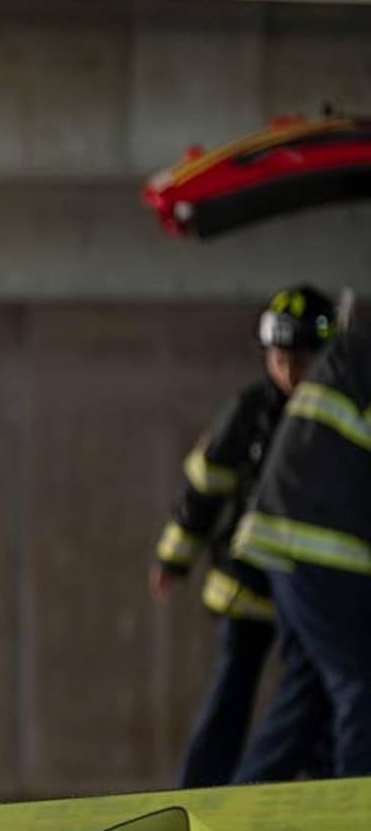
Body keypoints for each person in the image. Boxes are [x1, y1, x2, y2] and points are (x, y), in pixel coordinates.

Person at [151, 285, 337, 787]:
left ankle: (323, 785)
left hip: (309, 590)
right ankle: (201, 794)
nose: (290, 372)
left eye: (302, 360)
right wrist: (172, 560)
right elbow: (204, 489)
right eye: (280, 359)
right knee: (230, 696)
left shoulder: (335, 415)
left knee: (316, 696)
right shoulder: (250, 411)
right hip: (247, 586)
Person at [233, 298, 371, 778]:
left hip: (289, 542)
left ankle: (246, 805)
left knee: (305, 695)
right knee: (361, 686)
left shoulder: (356, 350)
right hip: (325, 548)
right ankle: (360, 813)